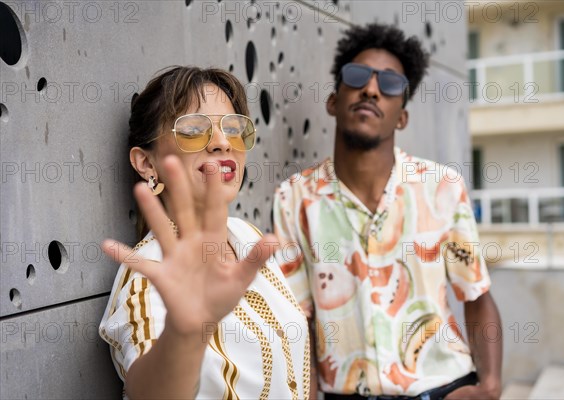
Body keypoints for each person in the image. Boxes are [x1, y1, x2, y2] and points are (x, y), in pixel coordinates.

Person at [273, 24, 502, 399]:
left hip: (443, 388)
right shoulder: (293, 199)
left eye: (391, 84)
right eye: (357, 76)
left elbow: (475, 292)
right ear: (333, 101)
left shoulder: (441, 188)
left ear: (402, 118)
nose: (371, 89)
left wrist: (490, 388)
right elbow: (299, 318)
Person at [99, 66, 310, 399]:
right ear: (147, 164)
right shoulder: (149, 273)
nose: (223, 143)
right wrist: (185, 333)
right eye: (194, 128)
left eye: (235, 128)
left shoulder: (248, 237)